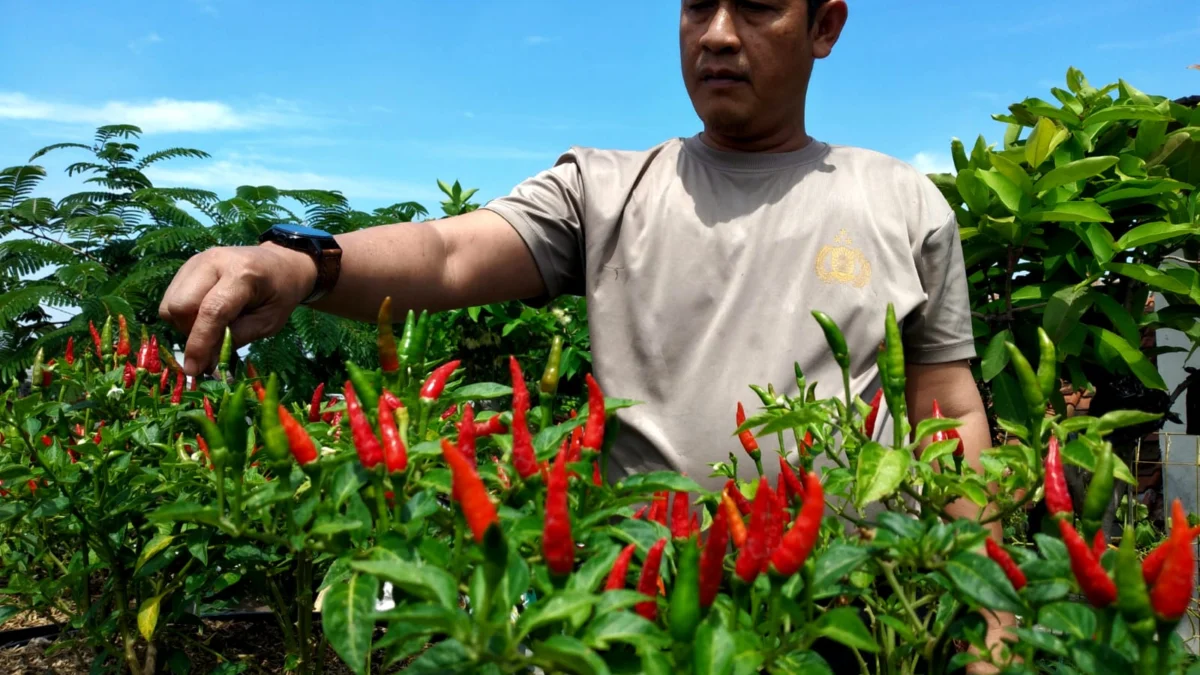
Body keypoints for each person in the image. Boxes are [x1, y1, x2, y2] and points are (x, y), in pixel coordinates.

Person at [159, 1, 1011, 670]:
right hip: (634, 612)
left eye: (757, 7)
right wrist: (303, 259)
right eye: (695, 6)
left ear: (824, 26)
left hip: (850, 615)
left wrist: (990, 616)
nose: (717, 34)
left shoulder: (901, 202)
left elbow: (950, 412)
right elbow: (452, 251)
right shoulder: (604, 190)